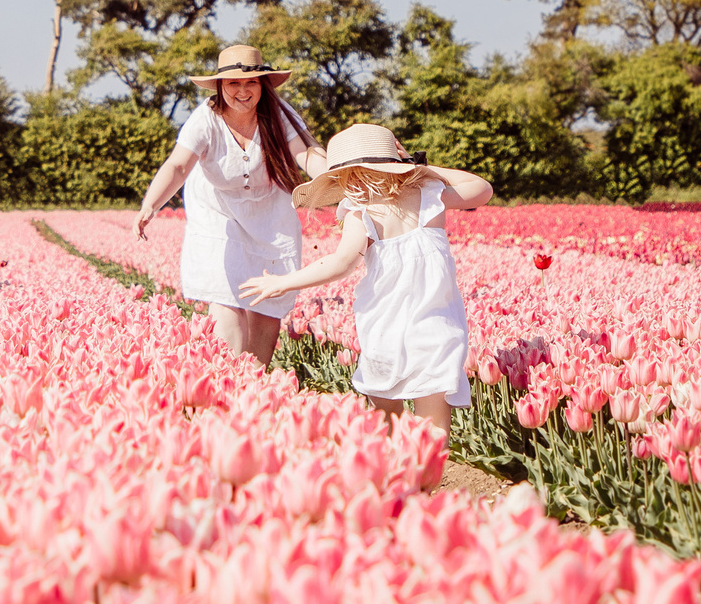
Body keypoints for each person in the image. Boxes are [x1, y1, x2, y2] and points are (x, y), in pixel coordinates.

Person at [241, 123, 492, 432]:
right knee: (433, 424)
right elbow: (482, 189)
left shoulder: (362, 209)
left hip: (384, 324)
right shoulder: (431, 193)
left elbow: (341, 263)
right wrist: (422, 166)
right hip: (436, 325)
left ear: (348, 177)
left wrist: (283, 281)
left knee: (385, 417)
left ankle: (392, 471)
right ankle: (426, 477)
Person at [130, 44, 327, 365]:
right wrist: (151, 204)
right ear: (220, 86)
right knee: (227, 296)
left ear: (263, 84)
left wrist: (334, 180)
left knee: (265, 299)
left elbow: (306, 155)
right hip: (217, 211)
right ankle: (230, 377)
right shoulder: (205, 118)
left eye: (251, 83)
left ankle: (255, 378)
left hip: (269, 211)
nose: (243, 91)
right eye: (233, 83)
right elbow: (178, 165)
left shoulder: (279, 114)